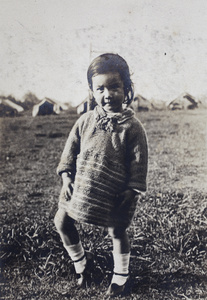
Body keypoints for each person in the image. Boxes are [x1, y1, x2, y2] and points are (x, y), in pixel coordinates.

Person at [54, 53, 148, 297]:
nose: (107, 95)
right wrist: (66, 177)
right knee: (62, 221)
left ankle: (121, 277)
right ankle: (82, 266)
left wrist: (132, 188)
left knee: (117, 230)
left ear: (126, 88)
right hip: (82, 186)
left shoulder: (132, 127)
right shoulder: (85, 121)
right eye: (100, 89)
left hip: (115, 191)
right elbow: (70, 151)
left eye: (114, 87)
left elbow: (139, 161)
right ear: (92, 91)